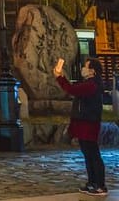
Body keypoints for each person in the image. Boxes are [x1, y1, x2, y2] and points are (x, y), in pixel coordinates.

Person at [55, 57, 107, 196]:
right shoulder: (89, 83)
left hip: (89, 122)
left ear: (92, 71)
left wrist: (60, 77)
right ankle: (92, 182)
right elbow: (75, 89)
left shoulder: (92, 85)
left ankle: (100, 185)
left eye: (86, 66)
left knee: (93, 154)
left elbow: (72, 89)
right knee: (87, 154)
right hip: (84, 122)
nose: (83, 68)